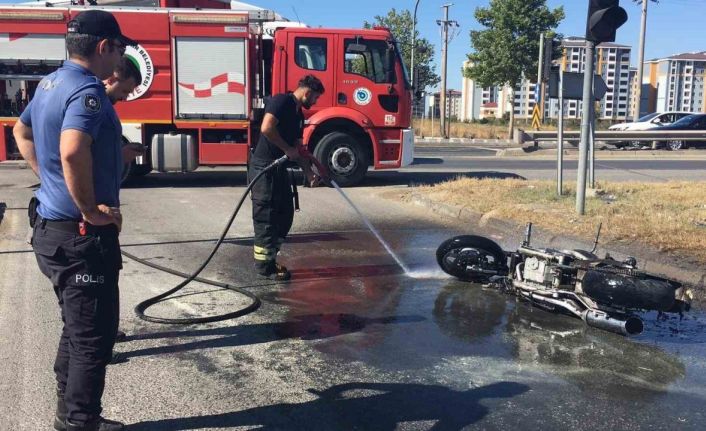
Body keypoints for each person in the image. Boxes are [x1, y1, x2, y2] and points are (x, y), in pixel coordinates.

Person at [13, 9, 136, 431]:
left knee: (76, 324)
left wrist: (47, 181)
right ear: (104, 47)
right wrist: (90, 210)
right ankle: (79, 422)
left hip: (52, 232)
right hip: (80, 237)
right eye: (120, 48)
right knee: (92, 339)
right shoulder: (87, 93)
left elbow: (21, 133)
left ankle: (69, 411)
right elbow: (71, 150)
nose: (120, 56)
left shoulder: (49, 84)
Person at [249, 75, 325, 281]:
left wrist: (309, 172)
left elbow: (298, 149)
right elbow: (266, 127)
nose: (315, 102)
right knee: (267, 218)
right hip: (264, 168)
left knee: (285, 214)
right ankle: (264, 267)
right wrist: (286, 149)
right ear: (307, 92)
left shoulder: (298, 114)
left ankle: (271, 259)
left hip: (279, 170)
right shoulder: (281, 101)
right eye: (316, 98)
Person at [104, 56, 143, 344]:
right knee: (99, 282)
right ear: (113, 77)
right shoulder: (89, 107)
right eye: (126, 90)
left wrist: (123, 154)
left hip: (103, 211)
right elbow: (75, 157)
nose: (126, 97)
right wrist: (90, 208)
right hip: (93, 216)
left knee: (107, 279)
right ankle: (99, 341)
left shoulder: (102, 107)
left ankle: (104, 332)